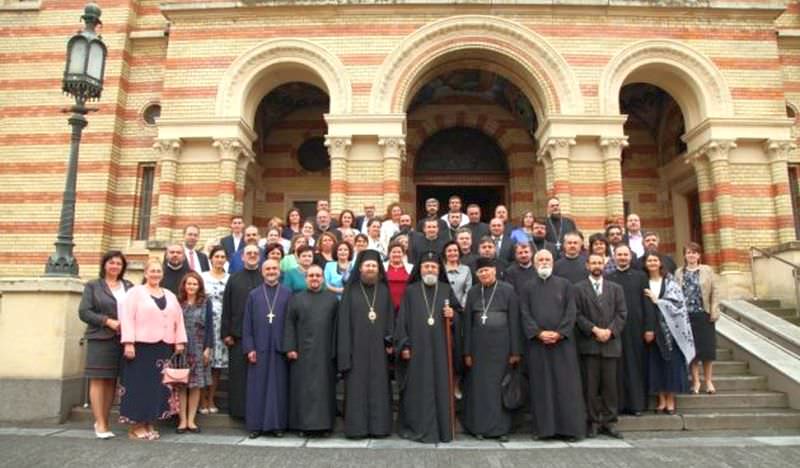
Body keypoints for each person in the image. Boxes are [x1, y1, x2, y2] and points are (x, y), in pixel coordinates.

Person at [394, 251, 460, 443]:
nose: (430, 269)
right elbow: (402, 320)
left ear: (439, 270)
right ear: (420, 270)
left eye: (433, 267)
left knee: (440, 385)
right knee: (418, 387)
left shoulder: (446, 289)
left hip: (441, 349)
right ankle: (417, 427)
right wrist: (404, 344)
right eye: (426, 267)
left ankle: (441, 429)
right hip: (417, 349)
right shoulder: (411, 290)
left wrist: (453, 315)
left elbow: (459, 316)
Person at [519, 250, 585, 441]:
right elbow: (524, 312)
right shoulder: (527, 287)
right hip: (538, 345)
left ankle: (570, 430)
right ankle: (543, 430)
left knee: (566, 388)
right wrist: (539, 333)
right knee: (542, 387)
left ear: (553, 263)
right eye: (540, 259)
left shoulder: (565, 285)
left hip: (562, 344)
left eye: (548, 259)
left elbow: (571, 311)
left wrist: (559, 333)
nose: (544, 262)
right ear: (534, 263)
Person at [118, 260, 187, 441]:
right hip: (140, 347)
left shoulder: (170, 295)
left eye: (158, 271)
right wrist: (128, 343)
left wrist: (179, 341)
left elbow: (178, 319)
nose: (156, 274)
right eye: (152, 271)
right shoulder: (135, 293)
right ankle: (136, 426)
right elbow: (127, 318)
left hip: (163, 347)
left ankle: (149, 423)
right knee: (138, 387)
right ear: (146, 273)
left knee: (157, 388)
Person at [461, 257, 521, 442]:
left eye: (487, 270)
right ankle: (479, 428)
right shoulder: (472, 293)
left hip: (502, 349)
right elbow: (467, 324)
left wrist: (515, 351)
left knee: (499, 388)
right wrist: (467, 352)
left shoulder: (508, 291)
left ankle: (500, 429)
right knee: (480, 389)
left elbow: (514, 321)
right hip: (479, 350)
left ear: (494, 271)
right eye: (480, 272)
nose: (484, 274)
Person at [337, 250, 395, 439]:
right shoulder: (350, 291)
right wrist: (345, 352)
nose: (370, 269)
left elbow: (390, 320)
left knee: (379, 387)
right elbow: (343, 323)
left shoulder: (384, 291)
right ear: (360, 268)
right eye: (367, 265)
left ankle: (379, 428)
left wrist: (390, 340)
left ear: (378, 269)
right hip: (356, 350)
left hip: (379, 350)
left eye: (374, 266)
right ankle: (356, 429)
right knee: (356, 389)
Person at [78, 250, 133, 439]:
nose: (115, 266)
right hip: (100, 338)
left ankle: (105, 420)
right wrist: (107, 321)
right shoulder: (93, 286)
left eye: (118, 263)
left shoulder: (128, 286)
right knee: (98, 379)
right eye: (111, 263)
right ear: (104, 265)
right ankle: (99, 423)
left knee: (111, 380)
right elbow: (84, 312)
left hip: (122, 339)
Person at [574, 254, 627, 439]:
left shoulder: (616, 288)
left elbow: (622, 314)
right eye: (593, 263)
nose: (597, 265)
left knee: (610, 387)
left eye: (599, 262)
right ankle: (593, 422)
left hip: (611, 344)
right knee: (591, 387)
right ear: (587, 265)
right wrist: (594, 330)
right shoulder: (578, 289)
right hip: (589, 344)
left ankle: (610, 422)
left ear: (604, 265)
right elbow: (577, 315)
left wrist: (610, 332)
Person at [284, 264, 340, 437]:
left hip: (325, 353)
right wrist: (290, 347)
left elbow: (338, 327)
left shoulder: (332, 299)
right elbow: (289, 324)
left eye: (318, 275)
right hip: (302, 352)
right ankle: (303, 426)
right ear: (306, 278)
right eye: (311, 276)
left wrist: (336, 351)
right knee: (304, 389)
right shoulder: (296, 298)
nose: (314, 278)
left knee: (324, 389)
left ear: (323, 278)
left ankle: (325, 426)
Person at [242, 259, 291, 438]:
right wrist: (249, 347)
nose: (271, 271)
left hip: (279, 349)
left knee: (278, 388)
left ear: (279, 271)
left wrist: (289, 346)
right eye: (268, 269)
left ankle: (277, 425)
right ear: (262, 272)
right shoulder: (254, 295)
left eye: (274, 268)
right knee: (258, 387)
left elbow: (291, 324)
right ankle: (256, 425)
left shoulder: (287, 293)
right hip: (259, 348)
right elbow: (247, 323)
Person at [643, 252, 695, 415]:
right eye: (649, 260)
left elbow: (678, 303)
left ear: (660, 263)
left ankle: (671, 399)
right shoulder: (643, 282)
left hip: (670, 330)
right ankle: (661, 399)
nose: (652, 263)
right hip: (652, 329)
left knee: (671, 364)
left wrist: (657, 300)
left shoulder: (670, 282)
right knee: (655, 364)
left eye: (655, 260)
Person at [606, 244, 653, 416]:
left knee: (636, 366)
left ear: (630, 257)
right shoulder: (609, 277)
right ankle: (619, 404)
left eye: (626, 255)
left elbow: (647, 303)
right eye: (620, 255)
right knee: (618, 368)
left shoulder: (641, 277)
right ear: (614, 256)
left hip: (637, 328)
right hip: (616, 328)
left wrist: (649, 328)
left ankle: (637, 405)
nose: (623, 257)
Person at [220, 244, 264, 419]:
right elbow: (227, 307)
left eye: (255, 253)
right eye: (249, 253)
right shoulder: (234, 279)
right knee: (238, 377)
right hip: (237, 336)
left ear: (259, 257)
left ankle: (257, 411)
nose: (252, 255)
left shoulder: (264, 278)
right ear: (242, 258)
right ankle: (238, 412)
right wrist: (226, 333)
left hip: (261, 337)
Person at [675, 242, 719, 395]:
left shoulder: (707, 270)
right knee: (692, 351)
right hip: (686, 317)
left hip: (704, 314)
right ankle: (696, 381)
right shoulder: (679, 273)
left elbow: (714, 291)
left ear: (699, 255)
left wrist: (714, 311)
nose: (691, 255)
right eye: (688, 252)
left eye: (694, 252)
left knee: (707, 350)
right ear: (685, 255)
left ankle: (708, 380)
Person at [175, 272, 214, 434]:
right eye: (188, 283)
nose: (191, 286)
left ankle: (192, 420)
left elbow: (210, 325)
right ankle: (182, 420)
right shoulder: (178, 302)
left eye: (194, 284)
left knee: (196, 385)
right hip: (181, 347)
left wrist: (208, 348)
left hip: (199, 346)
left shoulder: (206, 302)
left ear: (199, 286)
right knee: (182, 384)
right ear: (184, 285)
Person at [200, 245, 229, 415]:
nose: (219, 259)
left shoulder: (229, 278)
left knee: (217, 365)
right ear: (211, 258)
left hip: (221, 325)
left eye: (222, 256)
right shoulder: (203, 277)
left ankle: (211, 398)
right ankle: (202, 399)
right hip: (204, 324)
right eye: (216, 256)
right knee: (204, 363)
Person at [384, 241, 413, 312]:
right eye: (394, 252)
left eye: (399, 252)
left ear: (403, 254)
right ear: (389, 254)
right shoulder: (382, 267)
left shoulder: (411, 268)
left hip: (405, 305)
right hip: (386, 305)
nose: (396, 254)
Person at [442, 241, 472, 308]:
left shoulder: (466, 270)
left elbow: (468, 290)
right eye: (449, 251)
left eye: (455, 250)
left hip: (460, 308)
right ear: (445, 253)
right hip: (443, 307)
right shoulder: (441, 269)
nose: (452, 253)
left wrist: (462, 306)